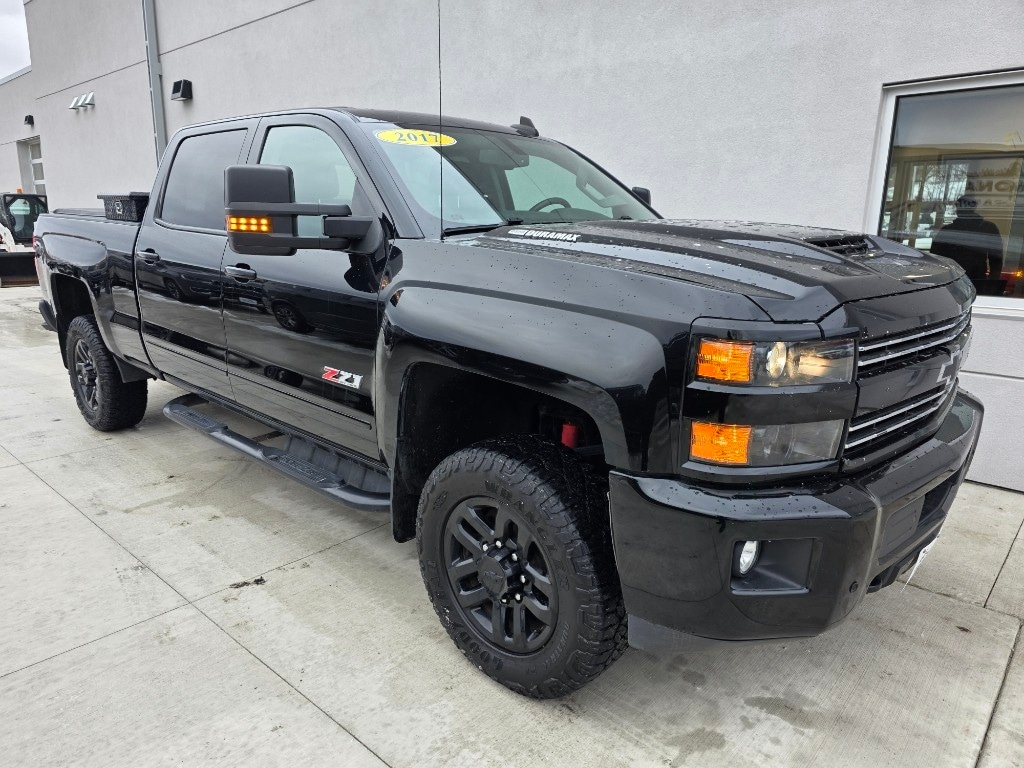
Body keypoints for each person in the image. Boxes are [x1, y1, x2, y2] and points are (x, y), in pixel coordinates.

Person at [930, 195, 1004, 283]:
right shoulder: (987, 228)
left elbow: (935, 257)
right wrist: (992, 282)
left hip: (956, 280)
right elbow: (996, 259)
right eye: (959, 206)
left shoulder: (948, 230)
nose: (959, 209)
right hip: (966, 280)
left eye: (961, 206)